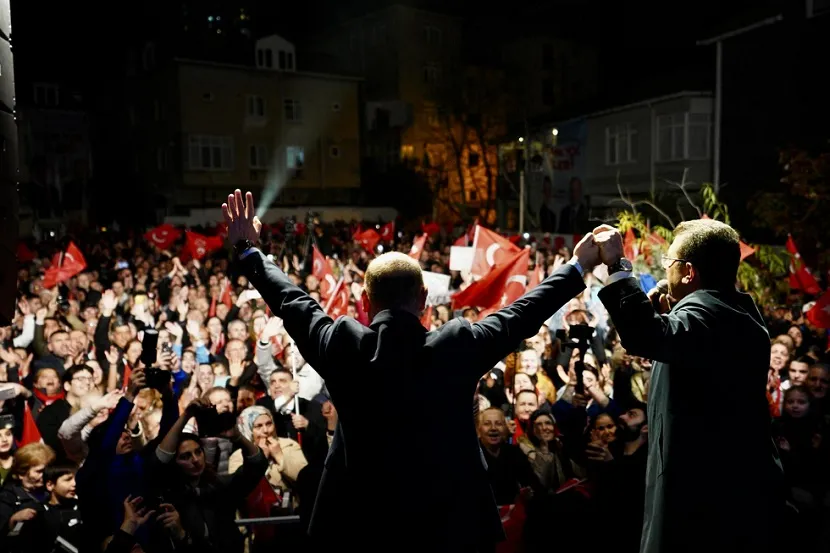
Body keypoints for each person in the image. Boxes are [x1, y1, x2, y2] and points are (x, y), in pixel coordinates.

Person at [221, 190, 601, 553]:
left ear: (365, 302)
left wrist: (249, 251)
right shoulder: (456, 346)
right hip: (449, 533)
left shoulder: (342, 344)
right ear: (423, 299)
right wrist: (579, 264)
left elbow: (292, 301)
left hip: (363, 532)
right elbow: (523, 314)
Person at [592, 220, 786, 553]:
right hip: (731, 494)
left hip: (705, 503)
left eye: (669, 263)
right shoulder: (732, 315)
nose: (665, 272)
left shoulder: (706, 317)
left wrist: (617, 266)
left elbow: (645, 335)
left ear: (688, 272)